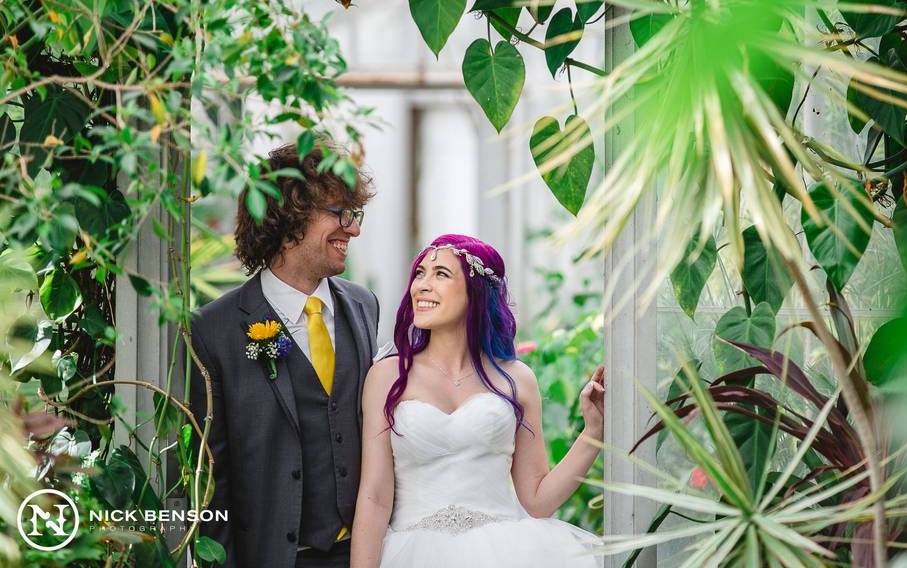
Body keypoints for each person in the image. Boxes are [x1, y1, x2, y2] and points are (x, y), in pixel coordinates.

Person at [351, 234, 604, 568]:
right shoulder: (387, 377)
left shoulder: (516, 379)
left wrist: (593, 434)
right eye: (420, 273)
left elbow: (538, 501)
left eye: (441, 274)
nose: (422, 286)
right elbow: (374, 497)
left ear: (476, 292)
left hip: (506, 554)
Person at [188, 143, 379, 568]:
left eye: (355, 214)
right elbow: (212, 482)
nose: (354, 229)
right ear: (290, 216)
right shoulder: (212, 331)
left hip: (364, 555)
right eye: (341, 213)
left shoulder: (365, 306)